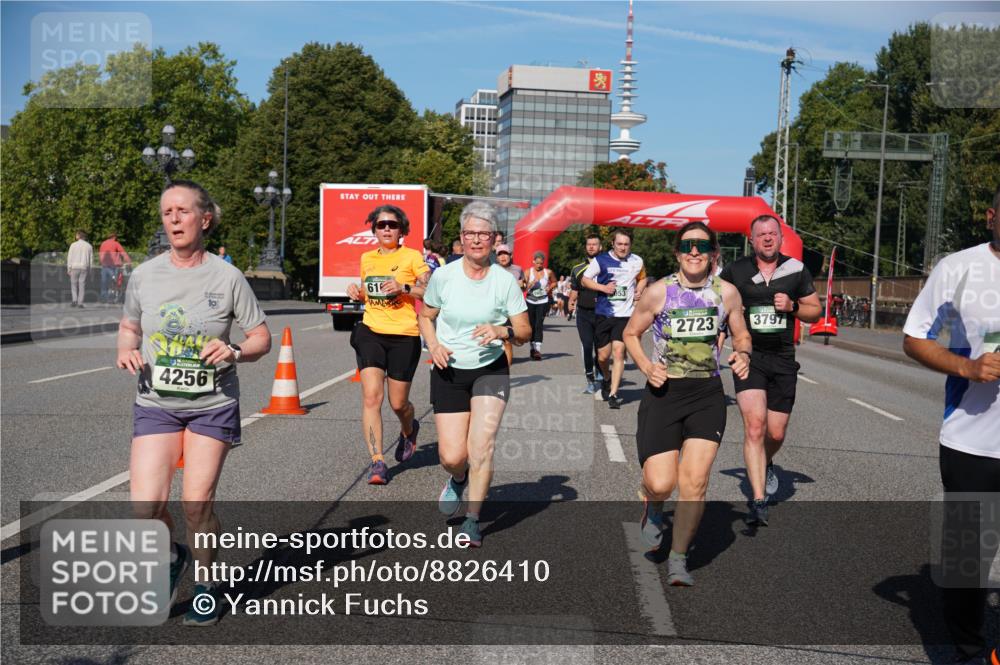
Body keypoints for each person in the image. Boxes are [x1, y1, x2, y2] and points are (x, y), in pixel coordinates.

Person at [115, 180, 272, 626]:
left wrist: (236, 351)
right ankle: (170, 558)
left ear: (205, 219)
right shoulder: (145, 274)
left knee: (195, 503)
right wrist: (126, 348)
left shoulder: (227, 277)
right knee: (145, 507)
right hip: (155, 402)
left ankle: (205, 584)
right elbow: (130, 326)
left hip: (212, 403)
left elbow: (260, 337)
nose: (174, 219)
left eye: (183, 211)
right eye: (167, 213)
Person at [902, 185, 1000, 665]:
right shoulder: (958, 268)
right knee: (968, 565)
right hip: (972, 440)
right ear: (991, 216)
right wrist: (968, 368)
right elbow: (913, 337)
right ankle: (966, 649)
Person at [624, 222, 751, 585]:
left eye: (702, 246)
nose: (694, 252)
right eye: (687, 246)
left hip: (706, 396)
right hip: (664, 394)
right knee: (662, 483)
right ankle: (654, 504)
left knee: (694, 482)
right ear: (677, 252)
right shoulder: (657, 292)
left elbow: (741, 334)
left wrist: (743, 353)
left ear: (714, 254)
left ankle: (679, 559)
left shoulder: (726, 293)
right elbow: (631, 333)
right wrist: (647, 367)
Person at [419, 202, 530, 547]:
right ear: (462, 239)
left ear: (495, 239)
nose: (477, 240)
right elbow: (425, 316)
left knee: (481, 446)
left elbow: (524, 331)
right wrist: (434, 344)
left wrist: (502, 331)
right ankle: (458, 476)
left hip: (490, 371)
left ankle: (472, 519)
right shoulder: (444, 276)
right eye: (470, 233)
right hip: (449, 368)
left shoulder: (505, 281)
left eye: (484, 233)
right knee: (452, 455)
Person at [721, 215, 821, 525]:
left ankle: (766, 461)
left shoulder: (795, 270)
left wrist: (792, 307)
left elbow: (815, 311)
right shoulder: (736, 271)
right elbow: (719, 304)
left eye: (772, 234)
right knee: (754, 426)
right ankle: (759, 499)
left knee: (775, 432)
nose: (767, 239)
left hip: (782, 358)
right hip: (749, 356)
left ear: (780, 238)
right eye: (761, 234)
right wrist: (719, 337)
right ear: (751, 240)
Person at [346, 205, 431, 485]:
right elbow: (365, 295)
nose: (386, 229)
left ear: (401, 230)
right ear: (374, 230)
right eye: (381, 225)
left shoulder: (412, 257)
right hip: (371, 331)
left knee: (398, 403)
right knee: (372, 397)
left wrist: (404, 288)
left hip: (404, 336)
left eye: (392, 225)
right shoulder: (367, 257)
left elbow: (430, 290)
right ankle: (377, 462)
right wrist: (356, 293)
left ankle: (409, 428)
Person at [581, 230, 647, 409]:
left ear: (630, 245)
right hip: (604, 314)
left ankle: (614, 394)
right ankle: (606, 378)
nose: (623, 247)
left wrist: (639, 290)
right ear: (613, 244)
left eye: (626, 244)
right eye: (620, 244)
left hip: (625, 315)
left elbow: (642, 278)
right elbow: (585, 281)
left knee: (618, 352)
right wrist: (603, 288)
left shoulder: (637, 261)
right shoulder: (600, 260)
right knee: (603, 357)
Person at [569, 234, 604, 394]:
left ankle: (601, 374)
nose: (591, 247)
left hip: (603, 313)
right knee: (587, 345)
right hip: (583, 313)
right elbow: (574, 290)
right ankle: (590, 379)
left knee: (601, 350)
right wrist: (570, 303)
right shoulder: (577, 268)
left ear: (600, 247)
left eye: (594, 244)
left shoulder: (608, 266)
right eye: (589, 244)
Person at [496, 244, 525, 367]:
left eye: (505, 254)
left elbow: (524, 286)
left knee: (507, 339)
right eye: (500, 254)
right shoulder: (492, 269)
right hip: (494, 308)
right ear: (497, 257)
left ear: (510, 255)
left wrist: (522, 285)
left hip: (510, 308)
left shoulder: (517, 269)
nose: (503, 257)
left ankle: (505, 369)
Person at [524, 251, 556, 360]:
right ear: (533, 261)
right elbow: (523, 287)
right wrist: (530, 284)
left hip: (543, 301)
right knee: (532, 325)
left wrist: (549, 288)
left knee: (539, 324)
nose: (539, 265)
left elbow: (554, 282)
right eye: (537, 263)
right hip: (530, 301)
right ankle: (532, 347)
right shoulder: (528, 272)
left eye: (541, 263)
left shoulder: (548, 272)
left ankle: (537, 349)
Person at [100, 232, 131, 304]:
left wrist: (102, 263)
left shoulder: (103, 243)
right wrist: (129, 261)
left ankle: (103, 297)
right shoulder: (115, 243)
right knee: (114, 282)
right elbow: (123, 252)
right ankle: (112, 298)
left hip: (104, 266)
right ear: (114, 237)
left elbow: (101, 254)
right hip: (114, 266)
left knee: (104, 282)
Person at [66, 230, 93, 308]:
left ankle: (74, 300)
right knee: (82, 285)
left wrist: (69, 268)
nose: (75, 236)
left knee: (73, 284)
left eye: (76, 235)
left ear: (79, 236)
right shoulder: (89, 246)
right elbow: (91, 259)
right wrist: (90, 270)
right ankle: (80, 302)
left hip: (74, 267)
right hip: (84, 267)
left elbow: (69, 257)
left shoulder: (73, 245)